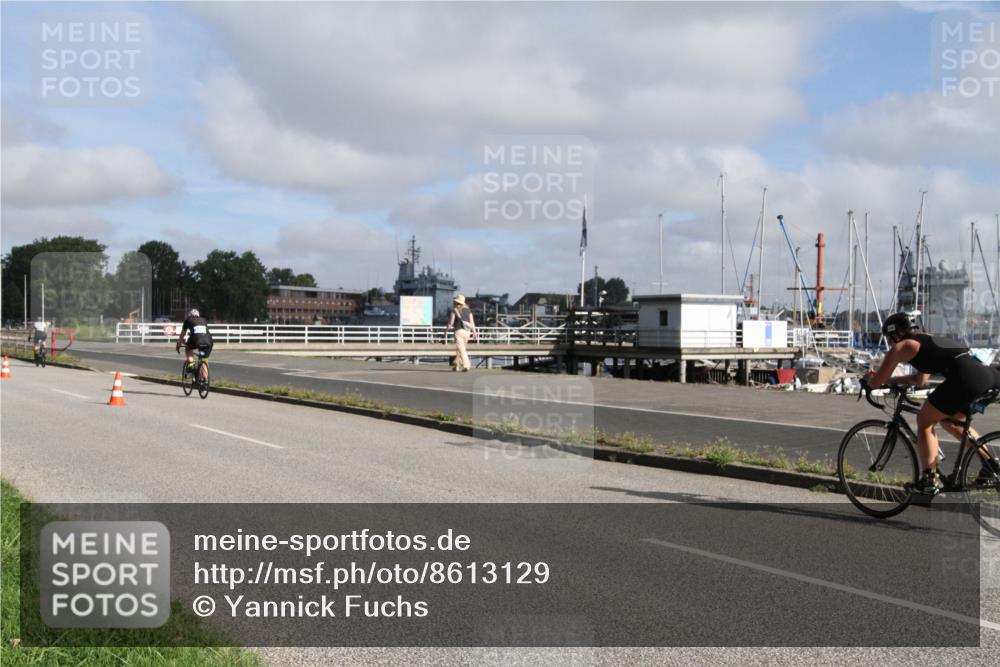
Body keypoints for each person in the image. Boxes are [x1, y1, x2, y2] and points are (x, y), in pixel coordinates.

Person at [865, 312, 1000, 494]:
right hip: (985, 376)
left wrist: (868, 380)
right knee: (950, 421)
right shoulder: (925, 341)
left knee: (924, 421)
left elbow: (875, 382)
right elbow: (919, 380)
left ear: (895, 335)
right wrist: (891, 381)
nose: (890, 344)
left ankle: (929, 480)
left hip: (965, 379)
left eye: (889, 339)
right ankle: (990, 465)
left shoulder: (902, 346)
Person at [175, 308, 213, 381]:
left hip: (196, 339)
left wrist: (179, 344)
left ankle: (191, 363)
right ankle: (204, 381)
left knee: (188, 348)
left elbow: (182, 335)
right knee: (204, 359)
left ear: (189, 315)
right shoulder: (203, 320)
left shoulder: (188, 320)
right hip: (209, 341)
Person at [445, 295, 477, 372]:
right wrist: (474, 333)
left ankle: (466, 365)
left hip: (458, 332)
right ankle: (456, 366)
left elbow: (451, 323)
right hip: (467, 332)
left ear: (456, 302)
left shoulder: (454, 310)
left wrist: (446, 331)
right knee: (461, 349)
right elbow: (472, 323)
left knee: (461, 349)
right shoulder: (468, 311)